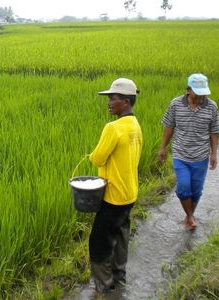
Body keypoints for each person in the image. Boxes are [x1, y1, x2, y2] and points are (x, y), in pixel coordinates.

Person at [88, 78, 143, 294]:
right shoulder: (135, 124)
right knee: (121, 234)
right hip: (130, 192)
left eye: (113, 98)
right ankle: (119, 275)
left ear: (127, 101)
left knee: (99, 242)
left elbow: (98, 158)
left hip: (114, 196)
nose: (109, 102)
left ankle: (104, 285)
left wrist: (92, 155)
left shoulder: (113, 127)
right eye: (108, 98)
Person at [158, 73, 219, 230]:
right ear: (188, 90)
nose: (201, 96)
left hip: (201, 156)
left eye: (204, 93)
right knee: (184, 187)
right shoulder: (176, 104)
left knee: (196, 190)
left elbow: (214, 131)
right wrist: (163, 147)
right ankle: (191, 216)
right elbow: (169, 126)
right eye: (197, 93)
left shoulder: (211, 106)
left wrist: (213, 153)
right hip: (180, 154)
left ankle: (189, 217)